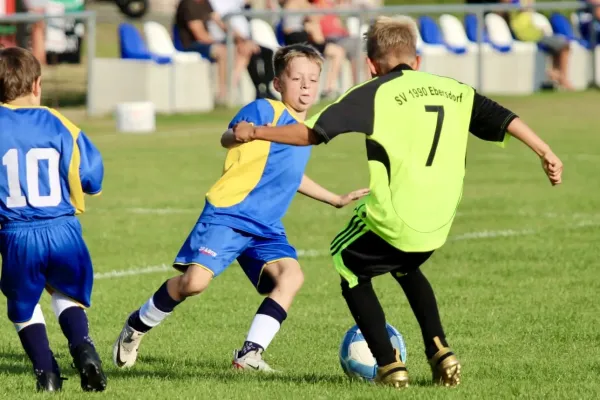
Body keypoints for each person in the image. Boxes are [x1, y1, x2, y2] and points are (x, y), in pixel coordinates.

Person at [231, 16, 563, 388]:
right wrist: (545, 151)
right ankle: (440, 350)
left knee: (348, 261)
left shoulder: (374, 92)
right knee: (405, 265)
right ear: (417, 60)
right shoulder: (453, 89)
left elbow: (311, 132)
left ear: (371, 65)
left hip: (397, 218)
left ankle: (389, 366)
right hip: (440, 222)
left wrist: (256, 132)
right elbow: (504, 119)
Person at [113, 44, 369, 372]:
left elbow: (291, 175)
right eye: (297, 78)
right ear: (278, 83)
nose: (305, 86)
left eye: (312, 79)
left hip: (266, 226)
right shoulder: (264, 110)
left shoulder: (304, 131)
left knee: (291, 277)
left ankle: (249, 354)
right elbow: (227, 137)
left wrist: (334, 198)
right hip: (231, 214)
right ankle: (137, 325)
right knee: (193, 284)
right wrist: (237, 135)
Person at [0, 47, 106, 392]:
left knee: (23, 305)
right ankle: (84, 350)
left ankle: (47, 375)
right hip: (63, 228)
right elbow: (92, 174)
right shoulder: (59, 121)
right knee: (65, 293)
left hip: (16, 232)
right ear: (37, 85)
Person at [507, 0, 574, 90]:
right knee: (564, 44)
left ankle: (555, 75)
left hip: (536, 34)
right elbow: (513, 5)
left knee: (559, 47)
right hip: (530, 36)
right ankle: (562, 78)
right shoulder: (514, 3)